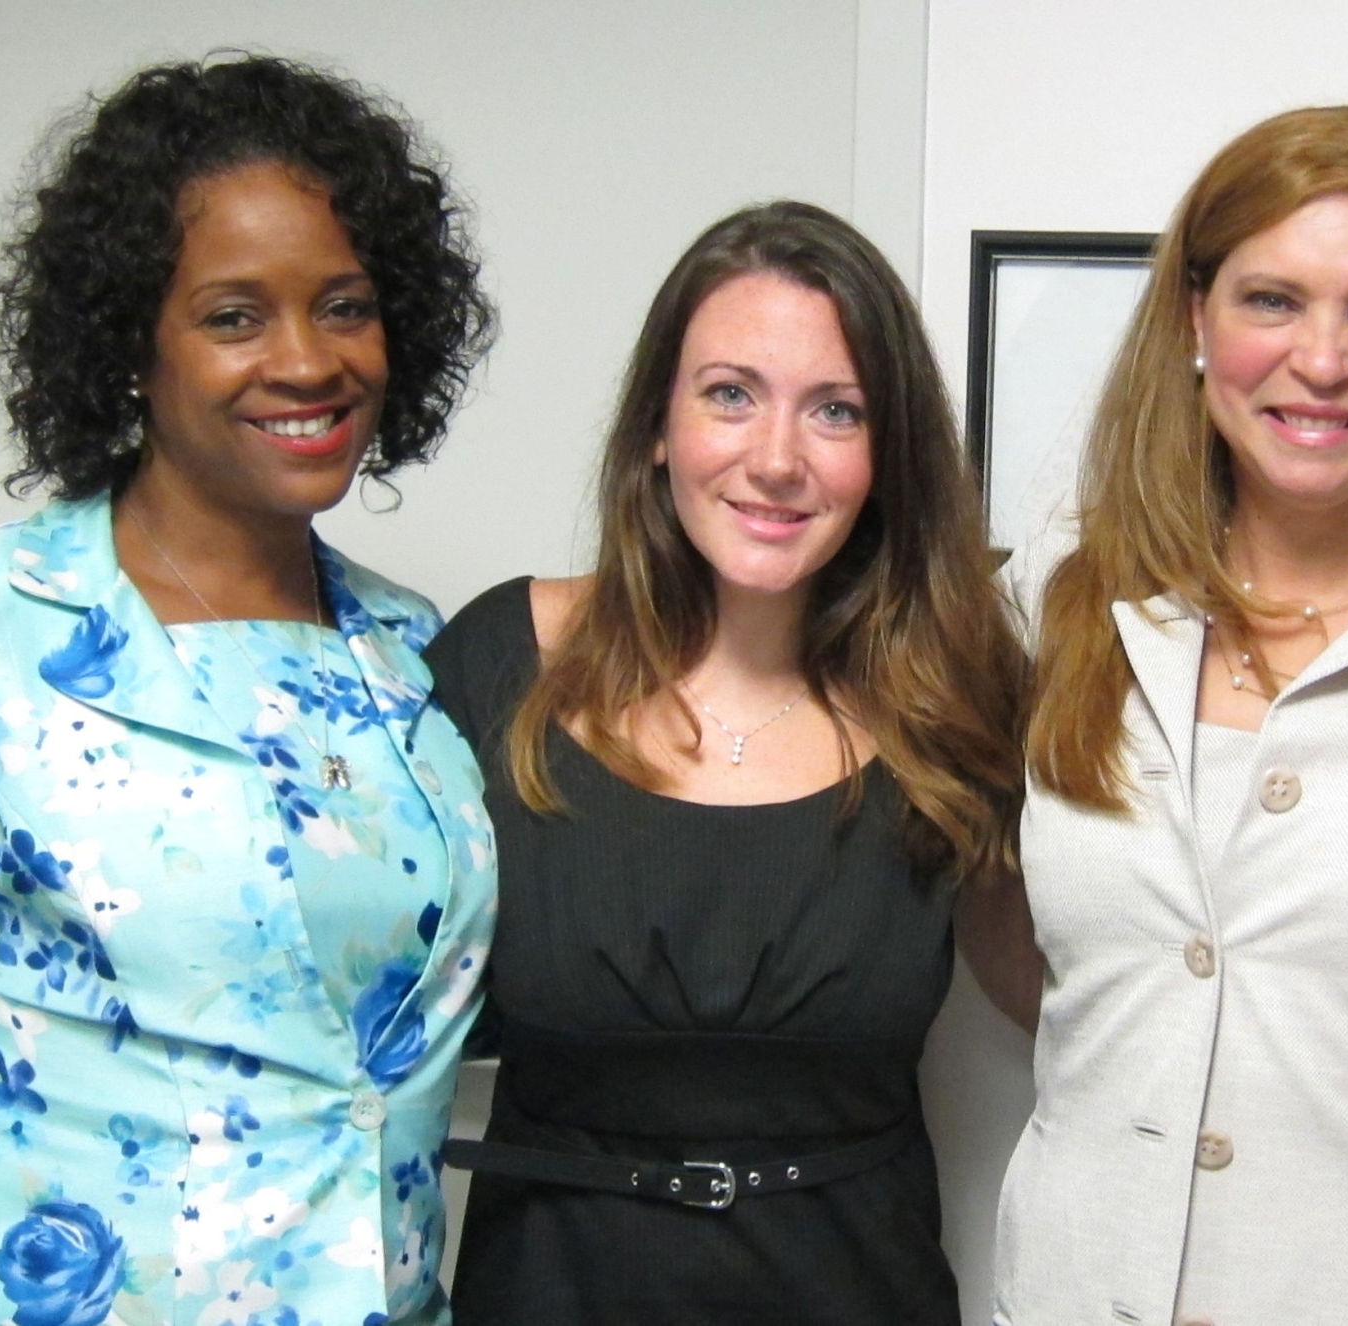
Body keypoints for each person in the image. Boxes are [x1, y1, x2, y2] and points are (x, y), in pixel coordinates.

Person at [0, 55, 498, 1326]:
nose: (307, 361)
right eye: (233, 317)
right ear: (130, 346)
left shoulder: (412, 652)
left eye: (344, 305)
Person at [426, 200, 1031, 1323]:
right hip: (549, 1293)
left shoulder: (960, 700)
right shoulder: (500, 664)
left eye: (837, 410)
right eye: (730, 395)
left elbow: (1081, 994)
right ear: (658, 424)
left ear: (888, 455)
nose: (777, 460)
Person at [998, 105, 1348, 1325]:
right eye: (1272, 300)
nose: (1321, 359)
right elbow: (1018, 935)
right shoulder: (1070, 586)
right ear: (1196, 318)